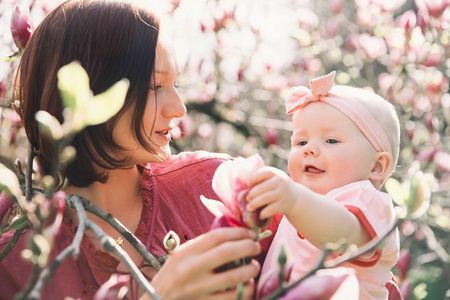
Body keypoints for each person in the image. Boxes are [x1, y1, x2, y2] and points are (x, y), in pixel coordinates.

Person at [0, 0, 281, 299]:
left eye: (176, 84)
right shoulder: (15, 266)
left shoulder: (216, 186)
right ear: (93, 89)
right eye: (154, 87)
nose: (179, 109)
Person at [246, 71, 401, 299]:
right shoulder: (296, 202)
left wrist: (294, 200)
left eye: (331, 140)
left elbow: (342, 235)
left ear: (377, 166)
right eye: (301, 141)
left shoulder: (369, 202)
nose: (309, 149)